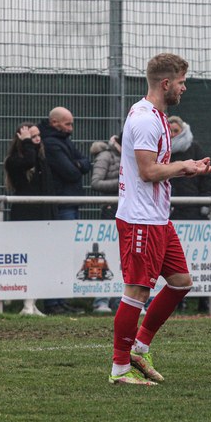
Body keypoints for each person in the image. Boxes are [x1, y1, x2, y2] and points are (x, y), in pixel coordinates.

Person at [108, 53, 211, 385]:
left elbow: (156, 170)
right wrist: (183, 165)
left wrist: (189, 169)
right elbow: (147, 171)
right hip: (140, 220)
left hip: (157, 219)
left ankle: (139, 348)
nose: (184, 88)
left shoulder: (157, 116)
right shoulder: (145, 119)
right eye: (182, 83)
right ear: (166, 83)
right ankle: (119, 369)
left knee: (181, 282)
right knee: (136, 292)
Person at [3, 122, 58, 316]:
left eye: (37, 136)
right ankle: (25, 303)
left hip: (43, 216)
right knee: (27, 259)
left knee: (40, 260)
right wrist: (27, 143)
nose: (37, 140)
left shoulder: (41, 158)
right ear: (22, 139)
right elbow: (27, 163)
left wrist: (52, 214)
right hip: (25, 216)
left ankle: (31, 303)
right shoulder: (14, 161)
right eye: (32, 137)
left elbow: (48, 188)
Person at [168, 115, 211, 313]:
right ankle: (179, 300)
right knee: (177, 259)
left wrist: (204, 203)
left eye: (176, 131)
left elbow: (207, 178)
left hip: (194, 211)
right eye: (170, 131)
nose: (172, 134)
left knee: (199, 255)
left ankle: (204, 300)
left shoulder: (194, 148)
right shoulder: (164, 151)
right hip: (173, 212)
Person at [89, 132, 122, 314]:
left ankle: (119, 300)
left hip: (128, 211)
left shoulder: (134, 157)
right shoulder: (106, 156)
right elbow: (96, 182)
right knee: (107, 255)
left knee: (123, 258)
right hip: (111, 211)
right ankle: (101, 301)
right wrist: (122, 182)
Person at [39, 106, 92, 221]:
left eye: (71, 124)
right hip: (62, 201)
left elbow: (87, 162)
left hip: (68, 199)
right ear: (54, 122)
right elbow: (71, 173)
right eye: (67, 124)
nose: (70, 128)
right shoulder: (51, 143)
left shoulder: (63, 140)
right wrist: (79, 165)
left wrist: (76, 164)